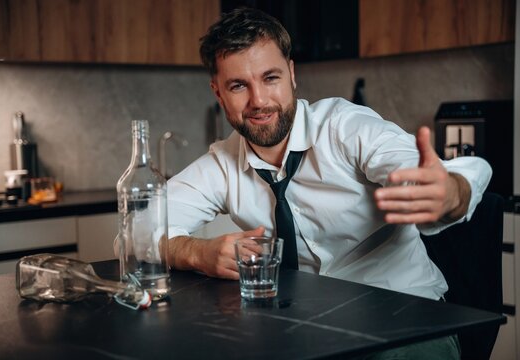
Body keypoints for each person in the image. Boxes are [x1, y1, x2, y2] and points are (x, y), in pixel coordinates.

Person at [165, 8, 491, 359]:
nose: (259, 101)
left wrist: (449, 193)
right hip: (305, 335)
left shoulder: (345, 127)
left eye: (270, 77)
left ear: (291, 74)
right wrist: (198, 253)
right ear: (218, 93)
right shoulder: (222, 163)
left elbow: (433, 173)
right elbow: (138, 230)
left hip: (406, 324)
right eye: (239, 85)